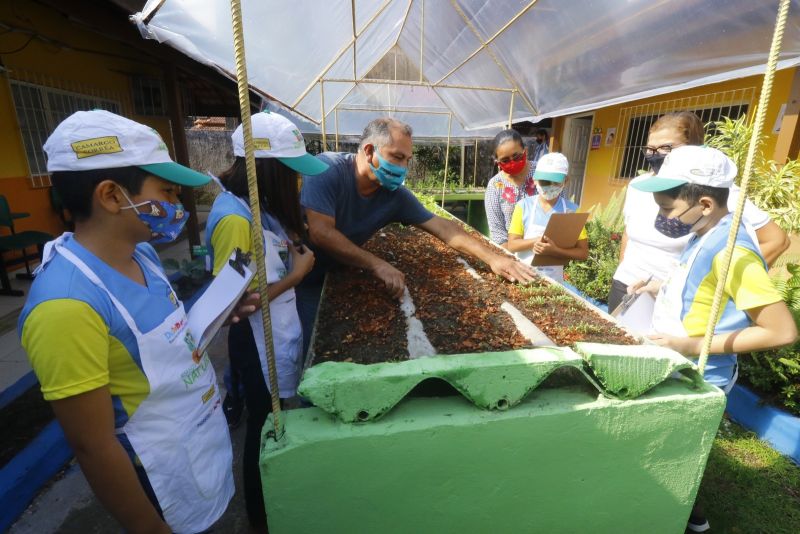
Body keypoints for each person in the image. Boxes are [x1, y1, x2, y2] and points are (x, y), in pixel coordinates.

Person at [18, 110, 256, 533]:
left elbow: (161, 342)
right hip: (154, 478)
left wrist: (221, 314)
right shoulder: (66, 307)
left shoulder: (141, 254)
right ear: (111, 196)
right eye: (166, 191)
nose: (177, 206)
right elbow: (93, 446)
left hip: (196, 444)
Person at [629, 145, 798, 533]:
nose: (662, 216)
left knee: (677, 461)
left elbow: (781, 330)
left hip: (701, 375)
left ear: (705, 203)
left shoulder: (734, 251)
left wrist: (689, 345)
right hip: (679, 365)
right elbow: (703, 293)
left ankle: (690, 522)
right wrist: (657, 286)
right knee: (666, 455)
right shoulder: (704, 232)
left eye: (668, 209)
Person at [297, 117, 537, 356]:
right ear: (370, 151)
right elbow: (321, 232)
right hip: (301, 275)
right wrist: (376, 264)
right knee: (308, 346)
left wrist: (494, 258)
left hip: (340, 271)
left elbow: (444, 228)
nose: (403, 168)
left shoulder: (393, 196)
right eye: (397, 157)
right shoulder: (326, 170)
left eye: (407, 160)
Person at [205, 110, 326, 532]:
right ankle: (261, 516)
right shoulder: (235, 221)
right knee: (260, 425)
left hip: (274, 332)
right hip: (254, 341)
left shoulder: (258, 209)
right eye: (290, 172)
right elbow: (234, 306)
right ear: (266, 170)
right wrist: (297, 275)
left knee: (272, 418)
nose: (296, 181)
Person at [608, 111, 790, 311]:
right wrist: (623, 267)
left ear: (693, 149)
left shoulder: (718, 192)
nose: (656, 155)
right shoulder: (639, 185)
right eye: (650, 149)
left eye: (666, 148)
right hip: (626, 286)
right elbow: (629, 231)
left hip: (676, 298)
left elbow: (776, 240)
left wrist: (714, 284)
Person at [506, 152, 589, 282]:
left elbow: (583, 253)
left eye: (555, 183)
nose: (549, 186)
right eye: (544, 182)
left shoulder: (572, 212)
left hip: (553, 281)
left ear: (565, 181)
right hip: (522, 276)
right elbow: (512, 245)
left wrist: (555, 250)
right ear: (535, 180)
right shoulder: (523, 206)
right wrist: (535, 241)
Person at [484, 129, 537, 248]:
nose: (512, 163)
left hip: (546, 251)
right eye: (505, 160)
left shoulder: (542, 173)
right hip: (512, 253)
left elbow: (560, 213)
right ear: (498, 162)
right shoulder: (495, 186)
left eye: (517, 157)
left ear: (525, 151)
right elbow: (498, 233)